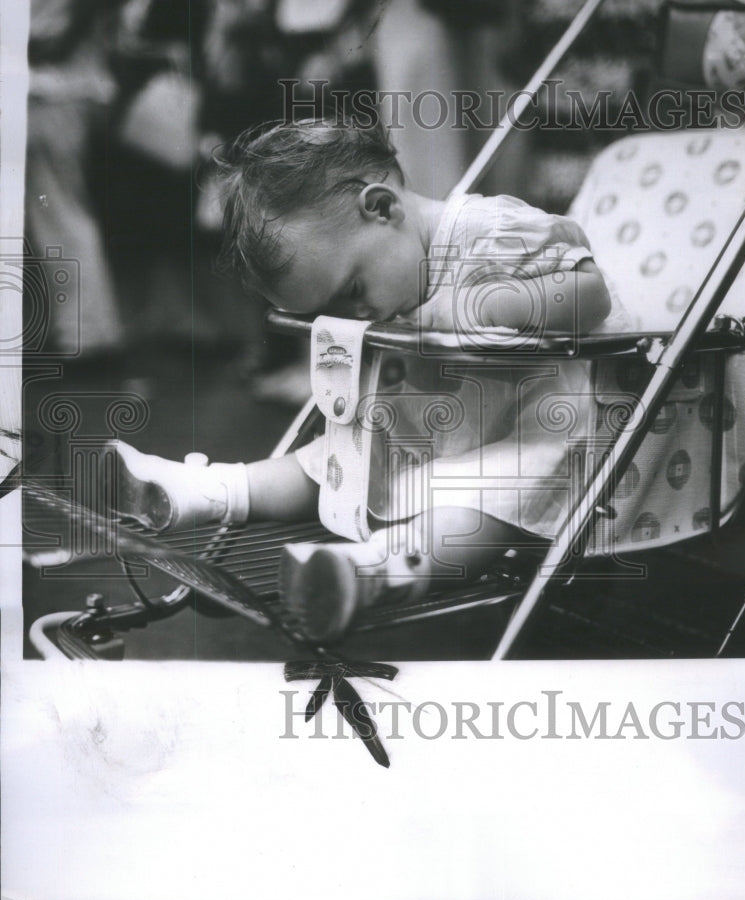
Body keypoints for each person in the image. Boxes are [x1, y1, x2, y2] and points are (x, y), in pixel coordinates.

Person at [106, 119, 630, 641]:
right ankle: (202, 490)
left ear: (383, 209)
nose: (354, 314)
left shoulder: (492, 229)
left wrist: (477, 304)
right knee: (338, 460)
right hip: (458, 419)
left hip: (545, 425)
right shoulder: (392, 269)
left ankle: (376, 572)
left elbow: (589, 294)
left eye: (351, 289)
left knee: (491, 495)